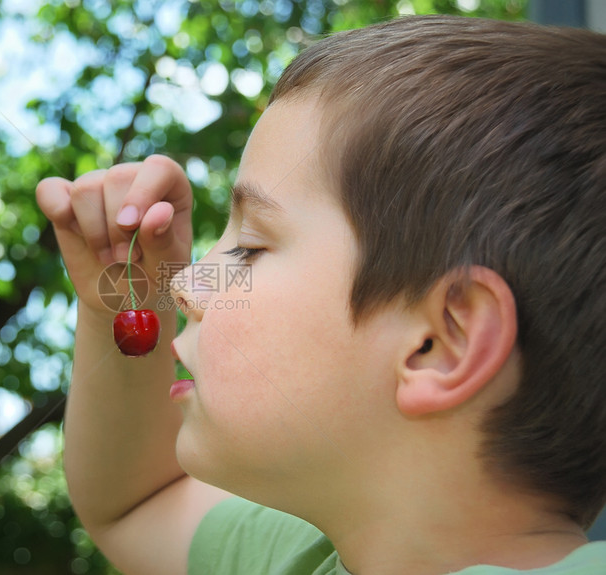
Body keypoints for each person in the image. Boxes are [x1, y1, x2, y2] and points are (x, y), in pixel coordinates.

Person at [35, 15, 606, 575]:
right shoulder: (297, 557)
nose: (184, 285)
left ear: (438, 343)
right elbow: (133, 504)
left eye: (252, 246)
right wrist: (128, 298)